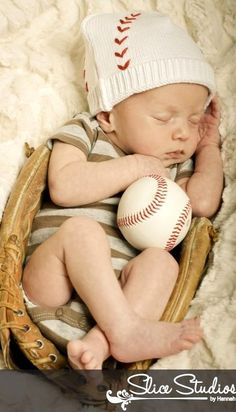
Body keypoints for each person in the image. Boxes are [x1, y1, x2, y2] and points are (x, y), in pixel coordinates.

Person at [22, 11, 223, 370]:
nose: (181, 133)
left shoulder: (172, 164)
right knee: (81, 233)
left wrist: (208, 146)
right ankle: (126, 330)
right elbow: (63, 187)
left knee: (162, 263)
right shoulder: (87, 131)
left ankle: (102, 344)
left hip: (110, 314)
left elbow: (204, 203)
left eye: (192, 121)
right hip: (51, 289)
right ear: (108, 114)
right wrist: (133, 167)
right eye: (164, 118)